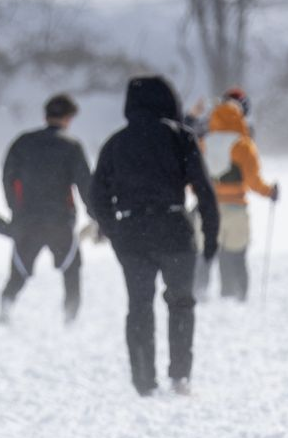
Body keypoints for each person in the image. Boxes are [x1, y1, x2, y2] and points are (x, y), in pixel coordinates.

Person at [88, 75, 218, 398]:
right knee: (181, 303)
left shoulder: (116, 143)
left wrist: (115, 231)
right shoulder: (181, 138)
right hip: (175, 229)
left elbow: (97, 197)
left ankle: (144, 381)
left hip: (132, 235)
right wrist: (211, 238)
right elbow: (204, 190)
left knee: (139, 306)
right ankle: (180, 377)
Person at [0, 95, 92, 321]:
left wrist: (15, 210)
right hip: (60, 222)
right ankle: (70, 318)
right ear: (68, 118)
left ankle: (4, 311)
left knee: (19, 271)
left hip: (27, 221)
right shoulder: (71, 146)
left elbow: (7, 177)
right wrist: (96, 215)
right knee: (71, 270)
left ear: (46, 115)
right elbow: (85, 184)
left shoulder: (23, 142)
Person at [199, 89, 281, 300]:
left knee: (204, 255)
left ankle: (198, 294)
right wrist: (270, 191)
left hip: (207, 209)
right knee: (235, 256)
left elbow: (193, 180)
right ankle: (236, 297)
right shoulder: (244, 145)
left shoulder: (203, 143)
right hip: (236, 209)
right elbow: (253, 181)